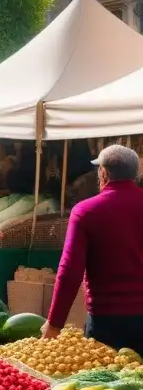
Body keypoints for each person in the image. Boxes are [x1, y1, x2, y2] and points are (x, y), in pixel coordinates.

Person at [42, 145, 143, 351]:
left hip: (106, 320)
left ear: (103, 173)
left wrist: (54, 324)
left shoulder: (86, 211)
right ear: (136, 174)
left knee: (108, 381)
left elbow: (70, 271)